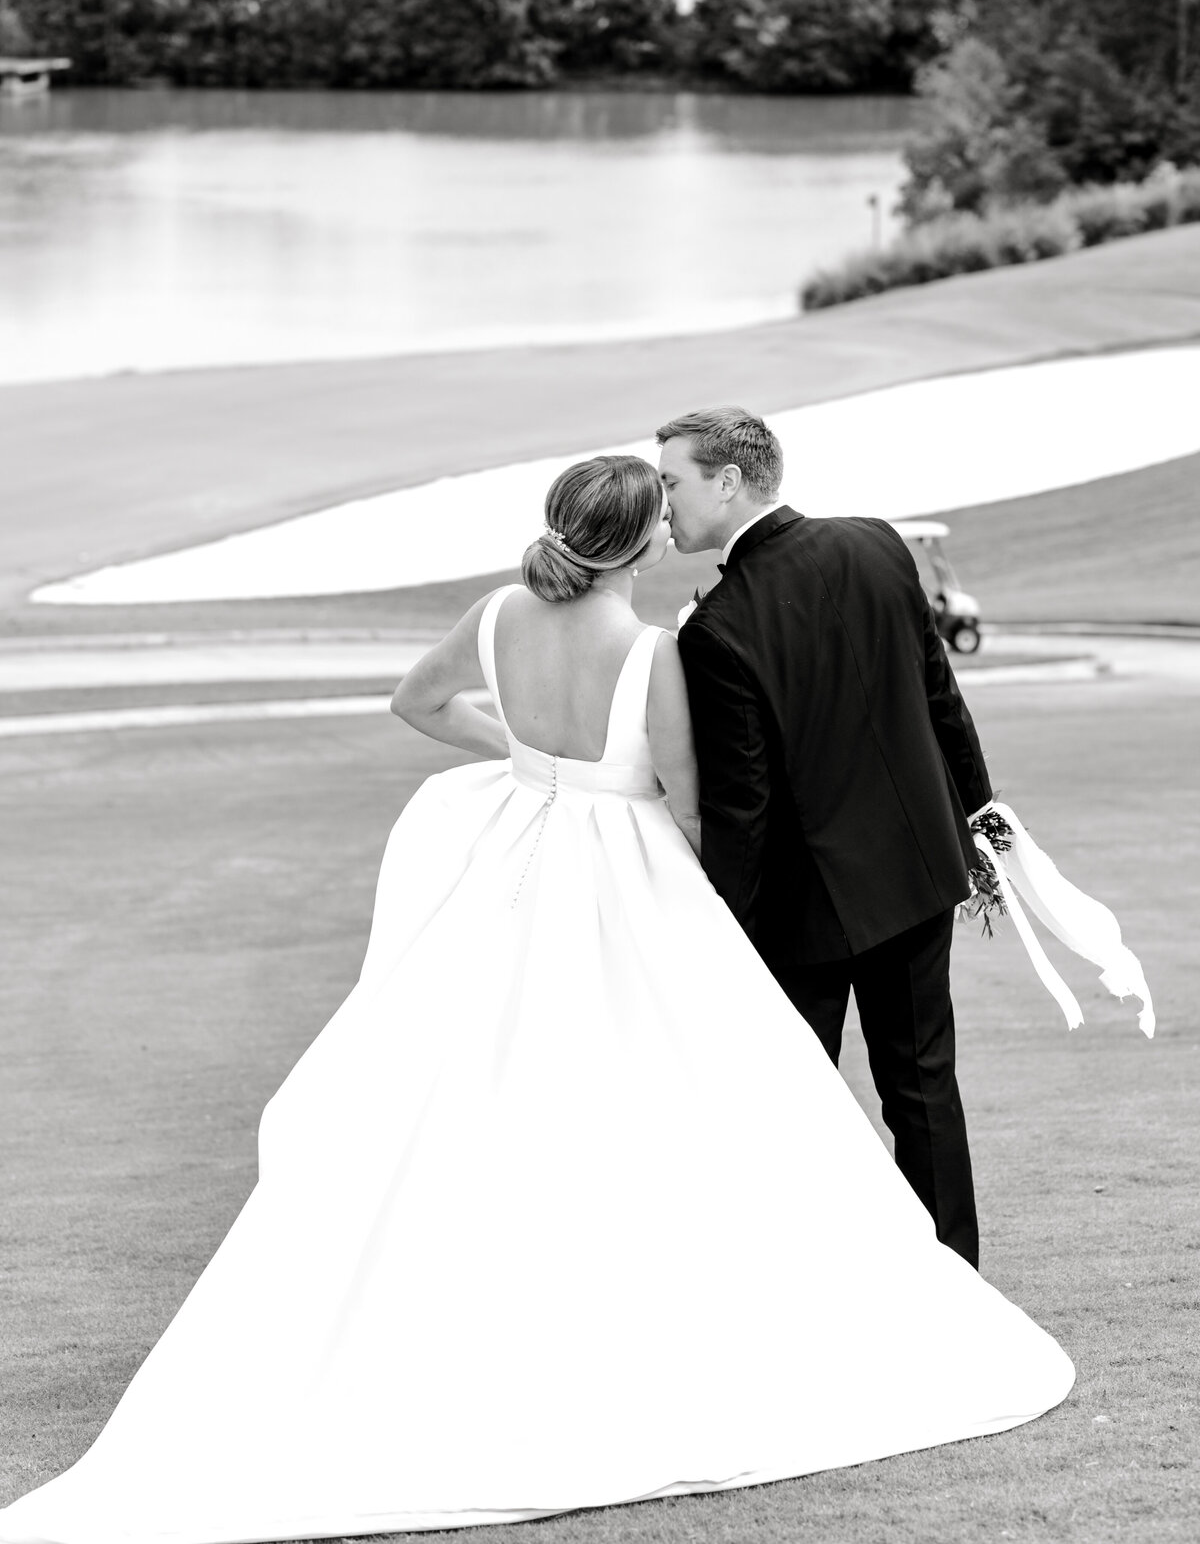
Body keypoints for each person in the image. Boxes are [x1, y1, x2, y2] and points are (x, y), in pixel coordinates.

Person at [0, 456, 1072, 1544]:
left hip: (515, 856)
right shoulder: (656, 653)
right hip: (623, 875)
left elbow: (415, 699)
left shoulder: (499, 611)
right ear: (643, 542)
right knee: (680, 1092)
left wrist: (520, 747)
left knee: (475, 1087)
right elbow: (695, 805)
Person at [658, 406, 992, 1266]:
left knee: (800, 1105)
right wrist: (982, 826)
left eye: (672, 483)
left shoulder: (717, 627)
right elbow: (942, 700)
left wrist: (718, 924)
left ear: (728, 482)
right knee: (924, 1092)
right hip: (918, 874)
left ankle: (827, 1283)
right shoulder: (878, 543)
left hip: (804, 914)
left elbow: (744, 807)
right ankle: (954, 1282)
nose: (664, 506)